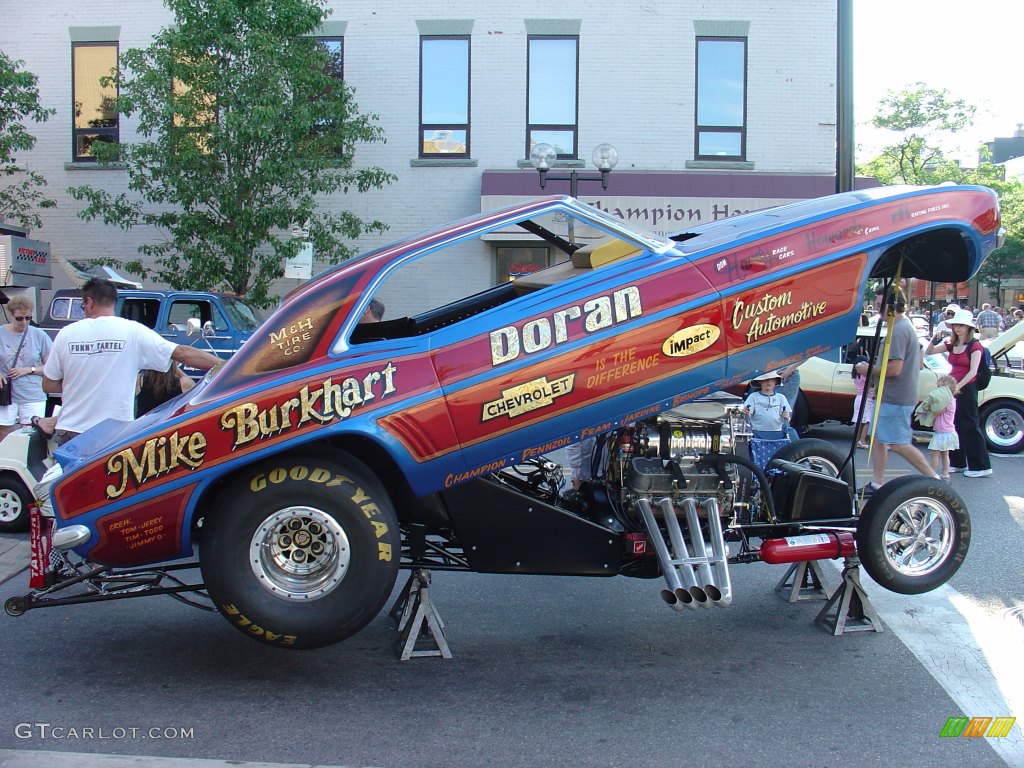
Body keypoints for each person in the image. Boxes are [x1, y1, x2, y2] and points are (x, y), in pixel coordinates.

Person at [39, 278, 223, 446]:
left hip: (71, 431)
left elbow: (48, 385)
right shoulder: (132, 331)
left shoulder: (66, 334)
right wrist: (229, 364)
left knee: (72, 483)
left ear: (88, 301)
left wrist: (82, 383)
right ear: (114, 301)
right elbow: (182, 353)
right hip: (113, 433)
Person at [853, 287, 942, 491]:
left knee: (899, 443)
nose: (876, 309)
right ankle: (877, 483)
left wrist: (868, 370)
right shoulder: (901, 327)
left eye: (879, 305)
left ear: (892, 306)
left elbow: (894, 369)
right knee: (878, 438)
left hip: (897, 398)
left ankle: (935, 480)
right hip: (891, 396)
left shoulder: (900, 330)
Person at [924, 308, 992, 477]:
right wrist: (934, 339)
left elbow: (973, 372)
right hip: (952, 388)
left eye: (961, 325)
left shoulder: (975, 346)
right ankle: (958, 462)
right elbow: (929, 352)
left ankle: (980, 466)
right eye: (956, 325)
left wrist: (957, 387)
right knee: (952, 425)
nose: (958, 328)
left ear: (969, 327)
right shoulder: (952, 343)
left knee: (970, 425)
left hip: (967, 388)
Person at [0, 296, 53, 440]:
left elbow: (51, 365)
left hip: (32, 392)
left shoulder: (38, 335)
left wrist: (29, 369)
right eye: (19, 318)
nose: (24, 322)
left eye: (28, 318)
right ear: (11, 314)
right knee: (4, 433)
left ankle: (30, 461)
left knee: (33, 434)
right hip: (6, 393)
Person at [915, 375, 959, 480]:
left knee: (934, 453)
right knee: (944, 454)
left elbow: (937, 411)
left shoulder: (949, 402)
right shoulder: (951, 401)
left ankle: (931, 473)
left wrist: (930, 404)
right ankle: (945, 473)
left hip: (943, 432)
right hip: (946, 431)